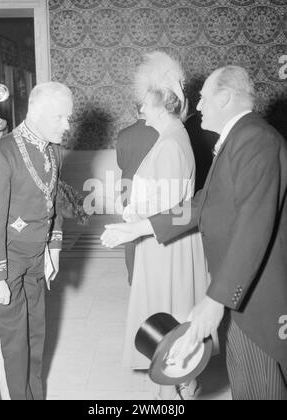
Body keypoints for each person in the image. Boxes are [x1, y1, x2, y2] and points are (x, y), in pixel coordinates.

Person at [101, 65, 287, 400]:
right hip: (239, 292)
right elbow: (200, 205)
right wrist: (139, 229)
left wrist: (215, 301)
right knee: (246, 383)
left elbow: (252, 229)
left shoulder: (255, 140)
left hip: (256, 302)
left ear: (225, 98)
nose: (196, 106)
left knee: (261, 388)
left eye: (202, 99)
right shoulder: (238, 138)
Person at [120, 51, 211, 400]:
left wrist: (136, 221)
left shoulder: (172, 142)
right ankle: (174, 383)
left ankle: (184, 384)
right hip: (157, 245)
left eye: (143, 100)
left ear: (158, 101)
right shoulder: (168, 136)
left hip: (166, 249)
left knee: (168, 318)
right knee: (163, 324)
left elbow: (174, 213)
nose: (139, 107)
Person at [0, 82, 73, 400]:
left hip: (37, 259)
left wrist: (54, 247)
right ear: (35, 112)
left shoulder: (53, 150)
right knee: (12, 345)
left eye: (69, 117)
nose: (67, 125)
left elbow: (56, 200)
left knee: (36, 337)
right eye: (59, 117)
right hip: (7, 264)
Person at [116, 111, 158, 285]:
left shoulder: (124, 133)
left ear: (136, 110)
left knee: (130, 232)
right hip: (151, 189)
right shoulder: (160, 132)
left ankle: (133, 278)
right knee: (152, 230)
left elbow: (120, 163)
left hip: (128, 186)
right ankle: (152, 278)